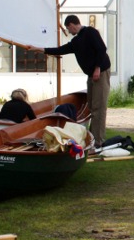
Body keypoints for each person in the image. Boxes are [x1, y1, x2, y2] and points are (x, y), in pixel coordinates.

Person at [33, 15, 111, 146]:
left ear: (72, 24)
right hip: (91, 75)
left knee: (99, 107)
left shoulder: (90, 32)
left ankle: (98, 141)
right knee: (92, 107)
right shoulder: (76, 41)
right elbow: (61, 50)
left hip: (100, 72)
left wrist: (97, 68)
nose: (68, 32)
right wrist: (41, 49)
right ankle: (93, 137)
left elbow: (102, 49)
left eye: (68, 28)